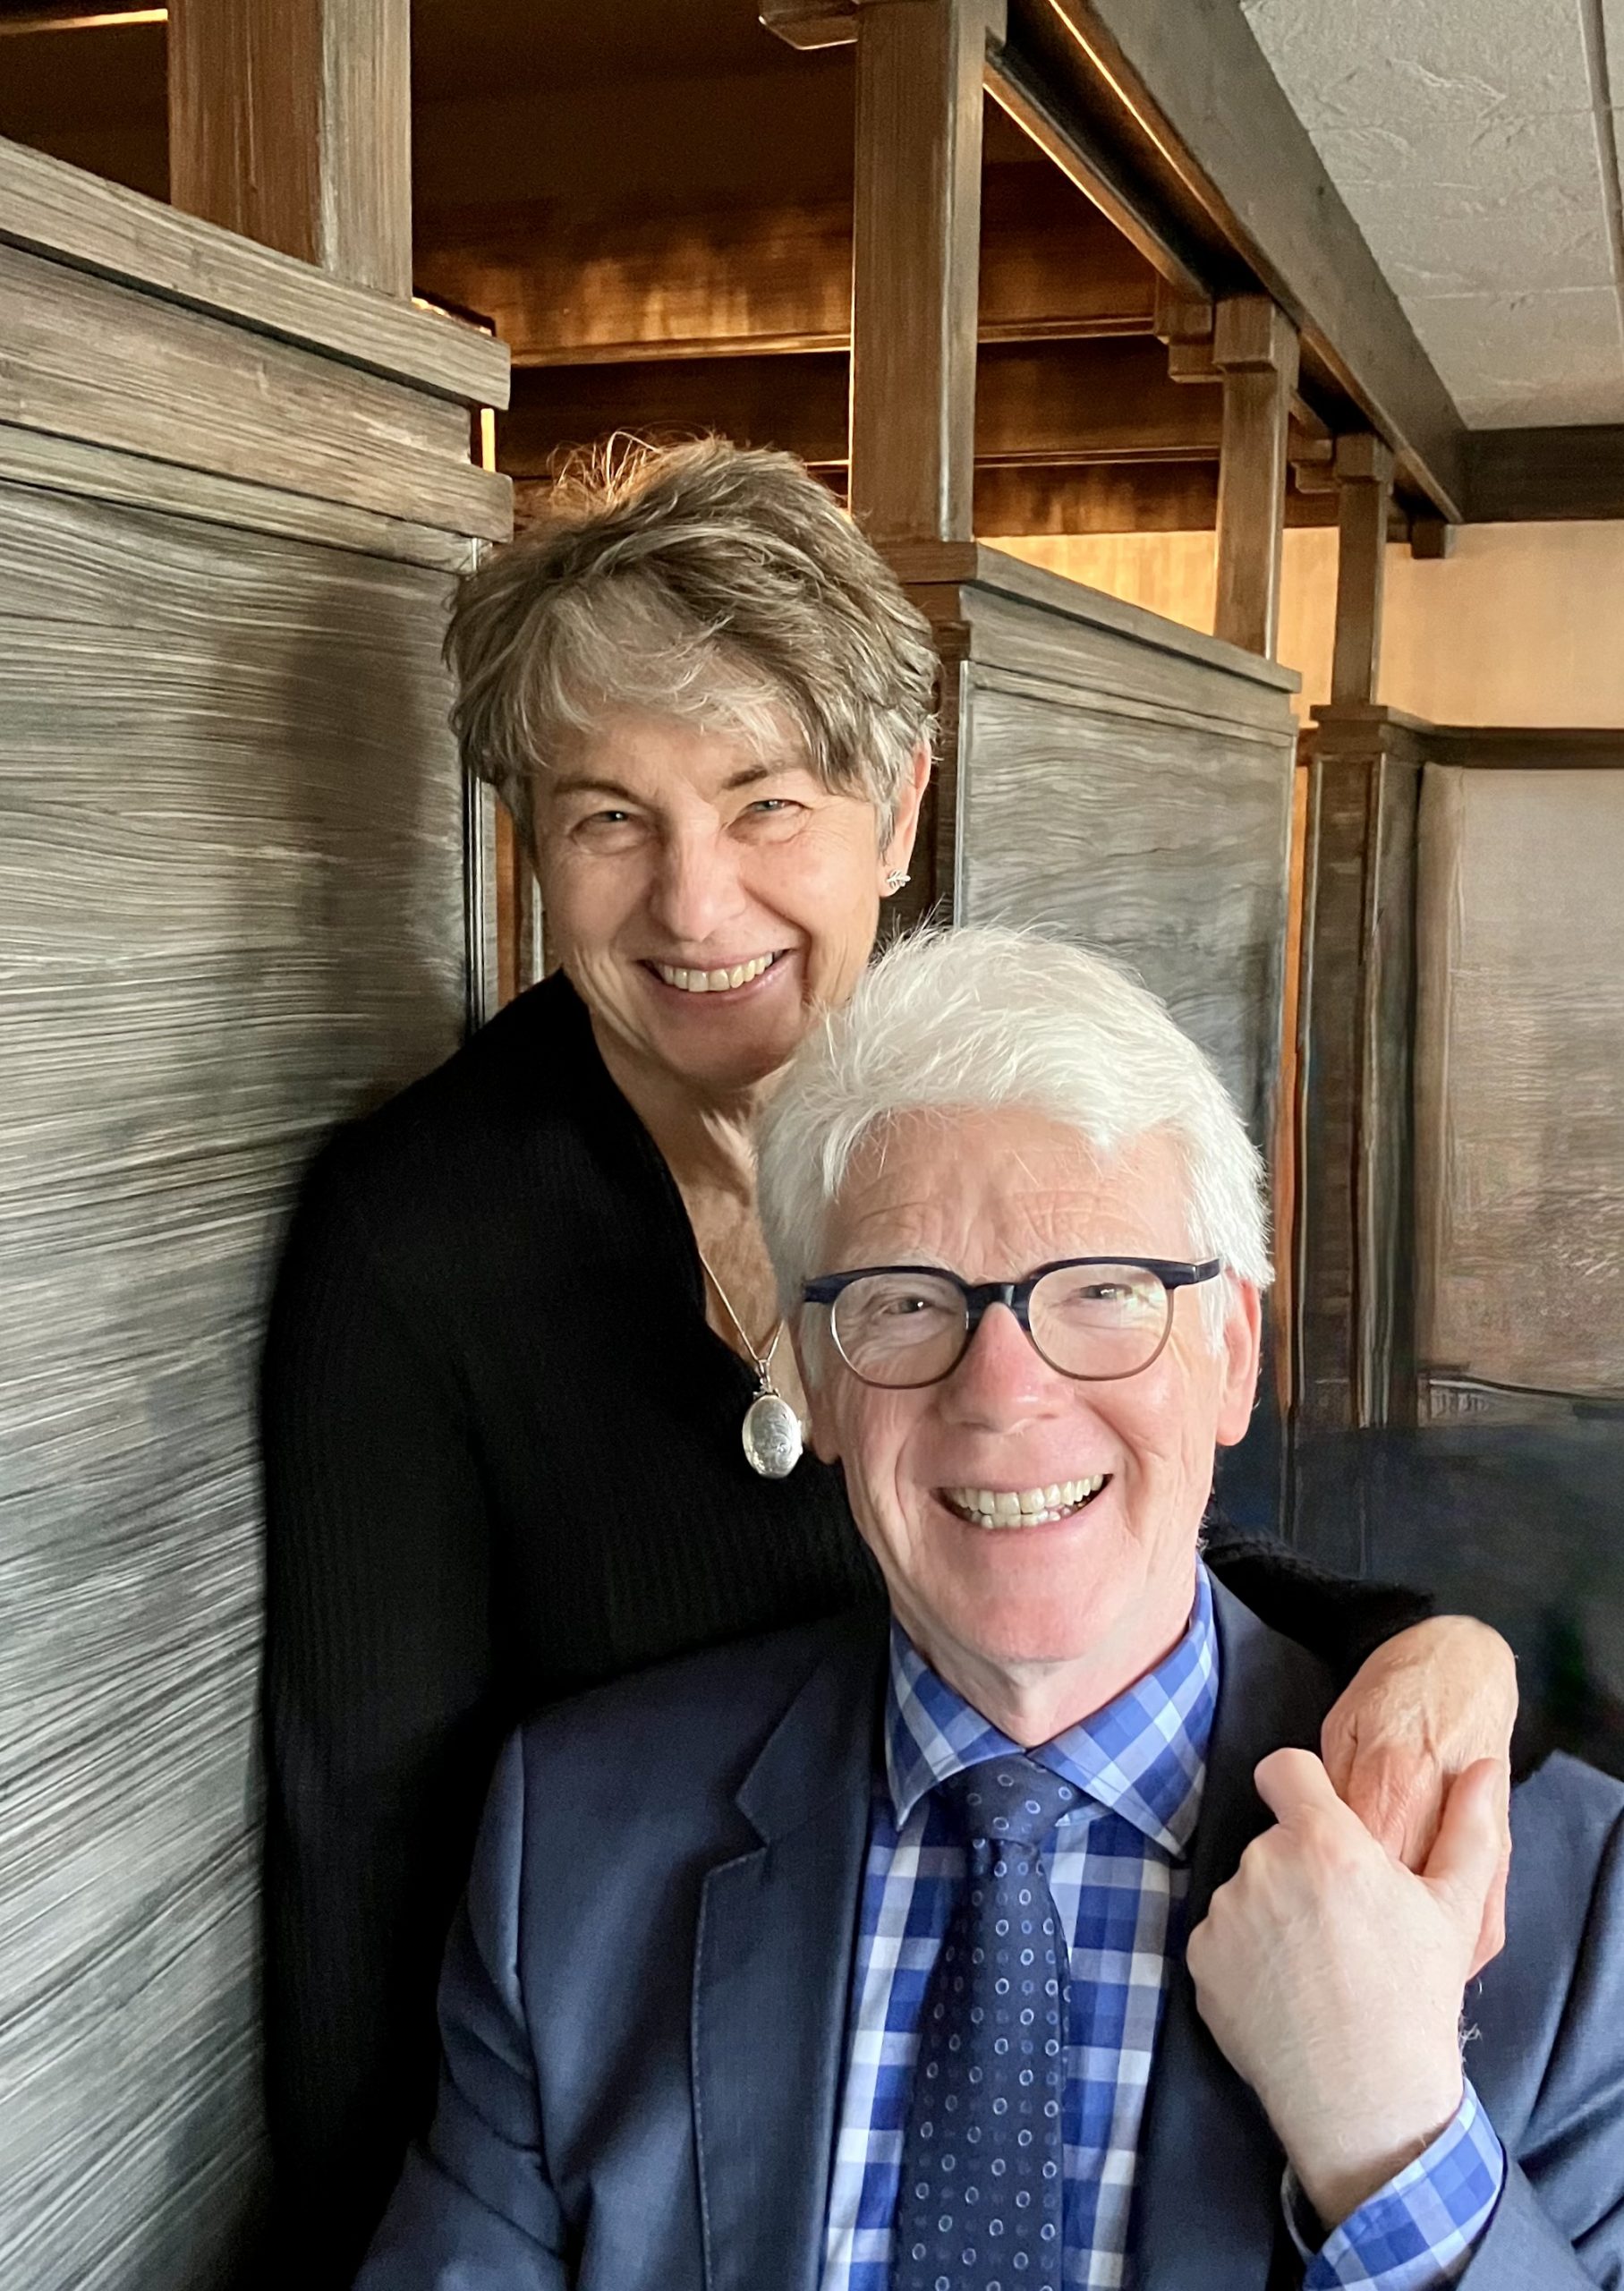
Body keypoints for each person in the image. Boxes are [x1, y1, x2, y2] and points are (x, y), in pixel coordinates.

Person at [260, 442, 1516, 2279]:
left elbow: (1091, 1523)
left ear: (900, 803)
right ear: (528, 842)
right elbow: (367, 1843)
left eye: (765, 803)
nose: (695, 904)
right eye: (607, 819)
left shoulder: (999, 1117)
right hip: (642, 2077)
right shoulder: (423, 1235)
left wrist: (1434, 1636)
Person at [356, 929, 1624, 2291]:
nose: (1003, 1393)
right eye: (905, 1303)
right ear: (816, 1384)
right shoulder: (577, 1848)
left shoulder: (1567, 1896)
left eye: (1104, 1293)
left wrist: (1393, 2145)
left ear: (1232, 1354)